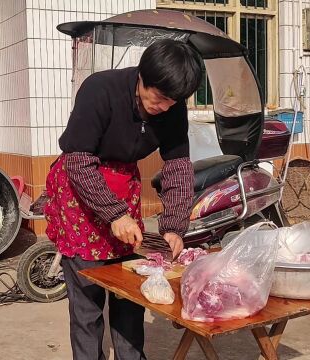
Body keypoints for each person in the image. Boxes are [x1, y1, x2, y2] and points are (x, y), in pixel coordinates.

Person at [44, 39, 202, 360]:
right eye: (159, 98)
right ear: (142, 76)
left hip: (123, 193)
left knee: (129, 290)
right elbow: (77, 160)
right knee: (88, 300)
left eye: (173, 101)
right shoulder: (100, 90)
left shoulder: (172, 107)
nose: (165, 107)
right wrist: (115, 214)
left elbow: (177, 167)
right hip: (82, 193)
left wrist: (173, 226)